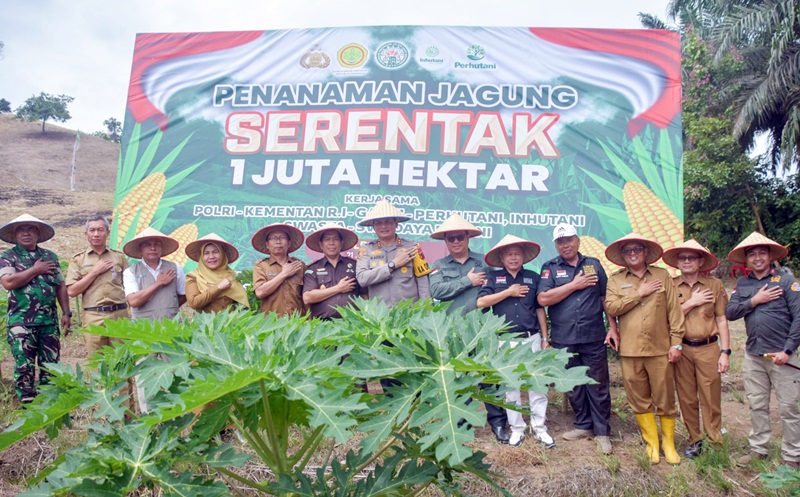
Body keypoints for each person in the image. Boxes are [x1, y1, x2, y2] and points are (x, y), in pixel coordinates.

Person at [537, 223, 619, 454]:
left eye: (569, 239)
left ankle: (602, 432)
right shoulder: (550, 268)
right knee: (572, 384)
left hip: (593, 335)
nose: (566, 245)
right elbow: (543, 299)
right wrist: (574, 285)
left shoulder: (593, 264)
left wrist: (612, 328)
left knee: (598, 384)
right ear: (555, 244)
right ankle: (583, 425)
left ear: (578, 240)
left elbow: (604, 298)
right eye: (560, 241)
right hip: (564, 337)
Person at [604, 233, 685, 465]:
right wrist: (638, 293)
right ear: (622, 255)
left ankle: (668, 443)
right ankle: (652, 443)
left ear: (645, 252)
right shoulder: (616, 280)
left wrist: (676, 343)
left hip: (661, 350)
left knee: (665, 397)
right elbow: (611, 306)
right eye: (628, 250)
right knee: (638, 398)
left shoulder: (661, 275)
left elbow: (675, 312)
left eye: (637, 249)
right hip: (630, 350)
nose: (632, 253)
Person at [428, 214, 506, 442]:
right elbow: (437, 292)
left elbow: (498, 289)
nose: (455, 241)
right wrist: (467, 282)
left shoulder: (486, 263)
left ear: (467, 237)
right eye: (450, 238)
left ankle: (499, 424)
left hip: (482, 328)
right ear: (445, 241)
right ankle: (462, 426)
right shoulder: (438, 266)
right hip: (453, 331)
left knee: (489, 376)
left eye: (459, 237)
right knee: (459, 378)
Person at [726, 232, 800, 469]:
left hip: (782, 356)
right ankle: (759, 449)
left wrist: (788, 350)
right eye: (752, 254)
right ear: (746, 260)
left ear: (770, 256)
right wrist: (754, 301)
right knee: (757, 404)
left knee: (789, 407)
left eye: (761, 253)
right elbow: (730, 312)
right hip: (754, 356)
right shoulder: (744, 284)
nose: (757, 257)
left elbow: (799, 318)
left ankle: (792, 455)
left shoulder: (787, 282)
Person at [477, 234, 553, 448]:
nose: (513, 257)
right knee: (511, 387)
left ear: (523, 257)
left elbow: (540, 308)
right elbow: (481, 301)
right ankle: (517, 429)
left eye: (517, 254)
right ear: (502, 257)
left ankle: (540, 429)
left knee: (537, 384)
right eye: (509, 254)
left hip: (532, 339)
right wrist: (508, 292)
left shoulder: (533, 277)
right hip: (505, 341)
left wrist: (545, 337)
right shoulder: (493, 278)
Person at [662, 239, 730, 459]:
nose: (688, 261)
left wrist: (725, 351)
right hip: (681, 348)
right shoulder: (670, 285)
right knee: (687, 397)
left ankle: (715, 440)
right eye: (683, 257)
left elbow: (721, 319)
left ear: (701, 261)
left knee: (711, 395)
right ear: (678, 262)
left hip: (708, 348)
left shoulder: (714, 285)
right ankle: (695, 439)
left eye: (692, 257)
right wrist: (692, 302)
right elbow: (665, 319)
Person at [0, 214, 71, 403]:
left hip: (48, 323)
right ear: (14, 235)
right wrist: (35, 270)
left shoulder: (49, 256)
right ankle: (29, 408)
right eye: (21, 230)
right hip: (21, 323)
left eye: (31, 229)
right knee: (25, 366)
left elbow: (60, 286)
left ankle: (49, 405)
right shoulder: (8, 257)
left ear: (38, 234)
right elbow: (7, 282)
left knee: (51, 365)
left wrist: (66, 312)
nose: (26, 233)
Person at [66, 214, 130, 358]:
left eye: (100, 230)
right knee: (98, 363)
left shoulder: (119, 257)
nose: (96, 234)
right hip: (93, 316)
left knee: (122, 360)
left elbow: (129, 286)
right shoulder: (78, 259)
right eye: (92, 230)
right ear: (86, 234)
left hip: (119, 314)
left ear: (107, 233)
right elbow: (71, 291)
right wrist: (94, 272)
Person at [355, 200, 430, 306]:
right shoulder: (366, 250)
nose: (383, 226)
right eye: (378, 223)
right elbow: (362, 279)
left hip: (409, 313)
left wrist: (426, 311)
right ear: (373, 226)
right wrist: (392, 265)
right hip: (380, 316)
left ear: (396, 223)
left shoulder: (412, 247)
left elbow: (423, 285)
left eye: (388, 222)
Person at [123, 227, 186, 319]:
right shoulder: (130, 272)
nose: (153, 248)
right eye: (147, 245)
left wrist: (169, 308)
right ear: (140, 249)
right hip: (143, 327)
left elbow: (183, 295)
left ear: (161, 248)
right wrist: (159, 283)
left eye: (157, 244)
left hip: (171, 324)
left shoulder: (175, 268)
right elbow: (133, 301)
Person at [302, 222, 361, 320]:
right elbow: (307, 298)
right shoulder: (313, 269)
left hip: (352, 324)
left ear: (341, 243)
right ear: (321, 244)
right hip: (323, 325)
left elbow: (365, 295)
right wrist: (338, 288)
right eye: (327, 239)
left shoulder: (355, 265)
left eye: (335, 239)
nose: (331, 243)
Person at [184, 233, 250, 313]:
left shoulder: (232, 275)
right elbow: (194, 303)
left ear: (222, 254)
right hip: (206, 324)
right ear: (201, 256)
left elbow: (240, 304)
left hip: (231, 323)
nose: (211, 257)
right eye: (206, 253)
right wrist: (218, 287)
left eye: (215, 252)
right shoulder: (193, 276)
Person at [251, 223, 306, 316]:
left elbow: (306, 296)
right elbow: (260, 292)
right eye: (273, 238)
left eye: (282, 237)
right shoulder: (261, 266)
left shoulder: (299, 265)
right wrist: (284, 274)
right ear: (267, 244)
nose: (278, 241)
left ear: (289, 243)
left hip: (297, 323)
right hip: (271, 324)